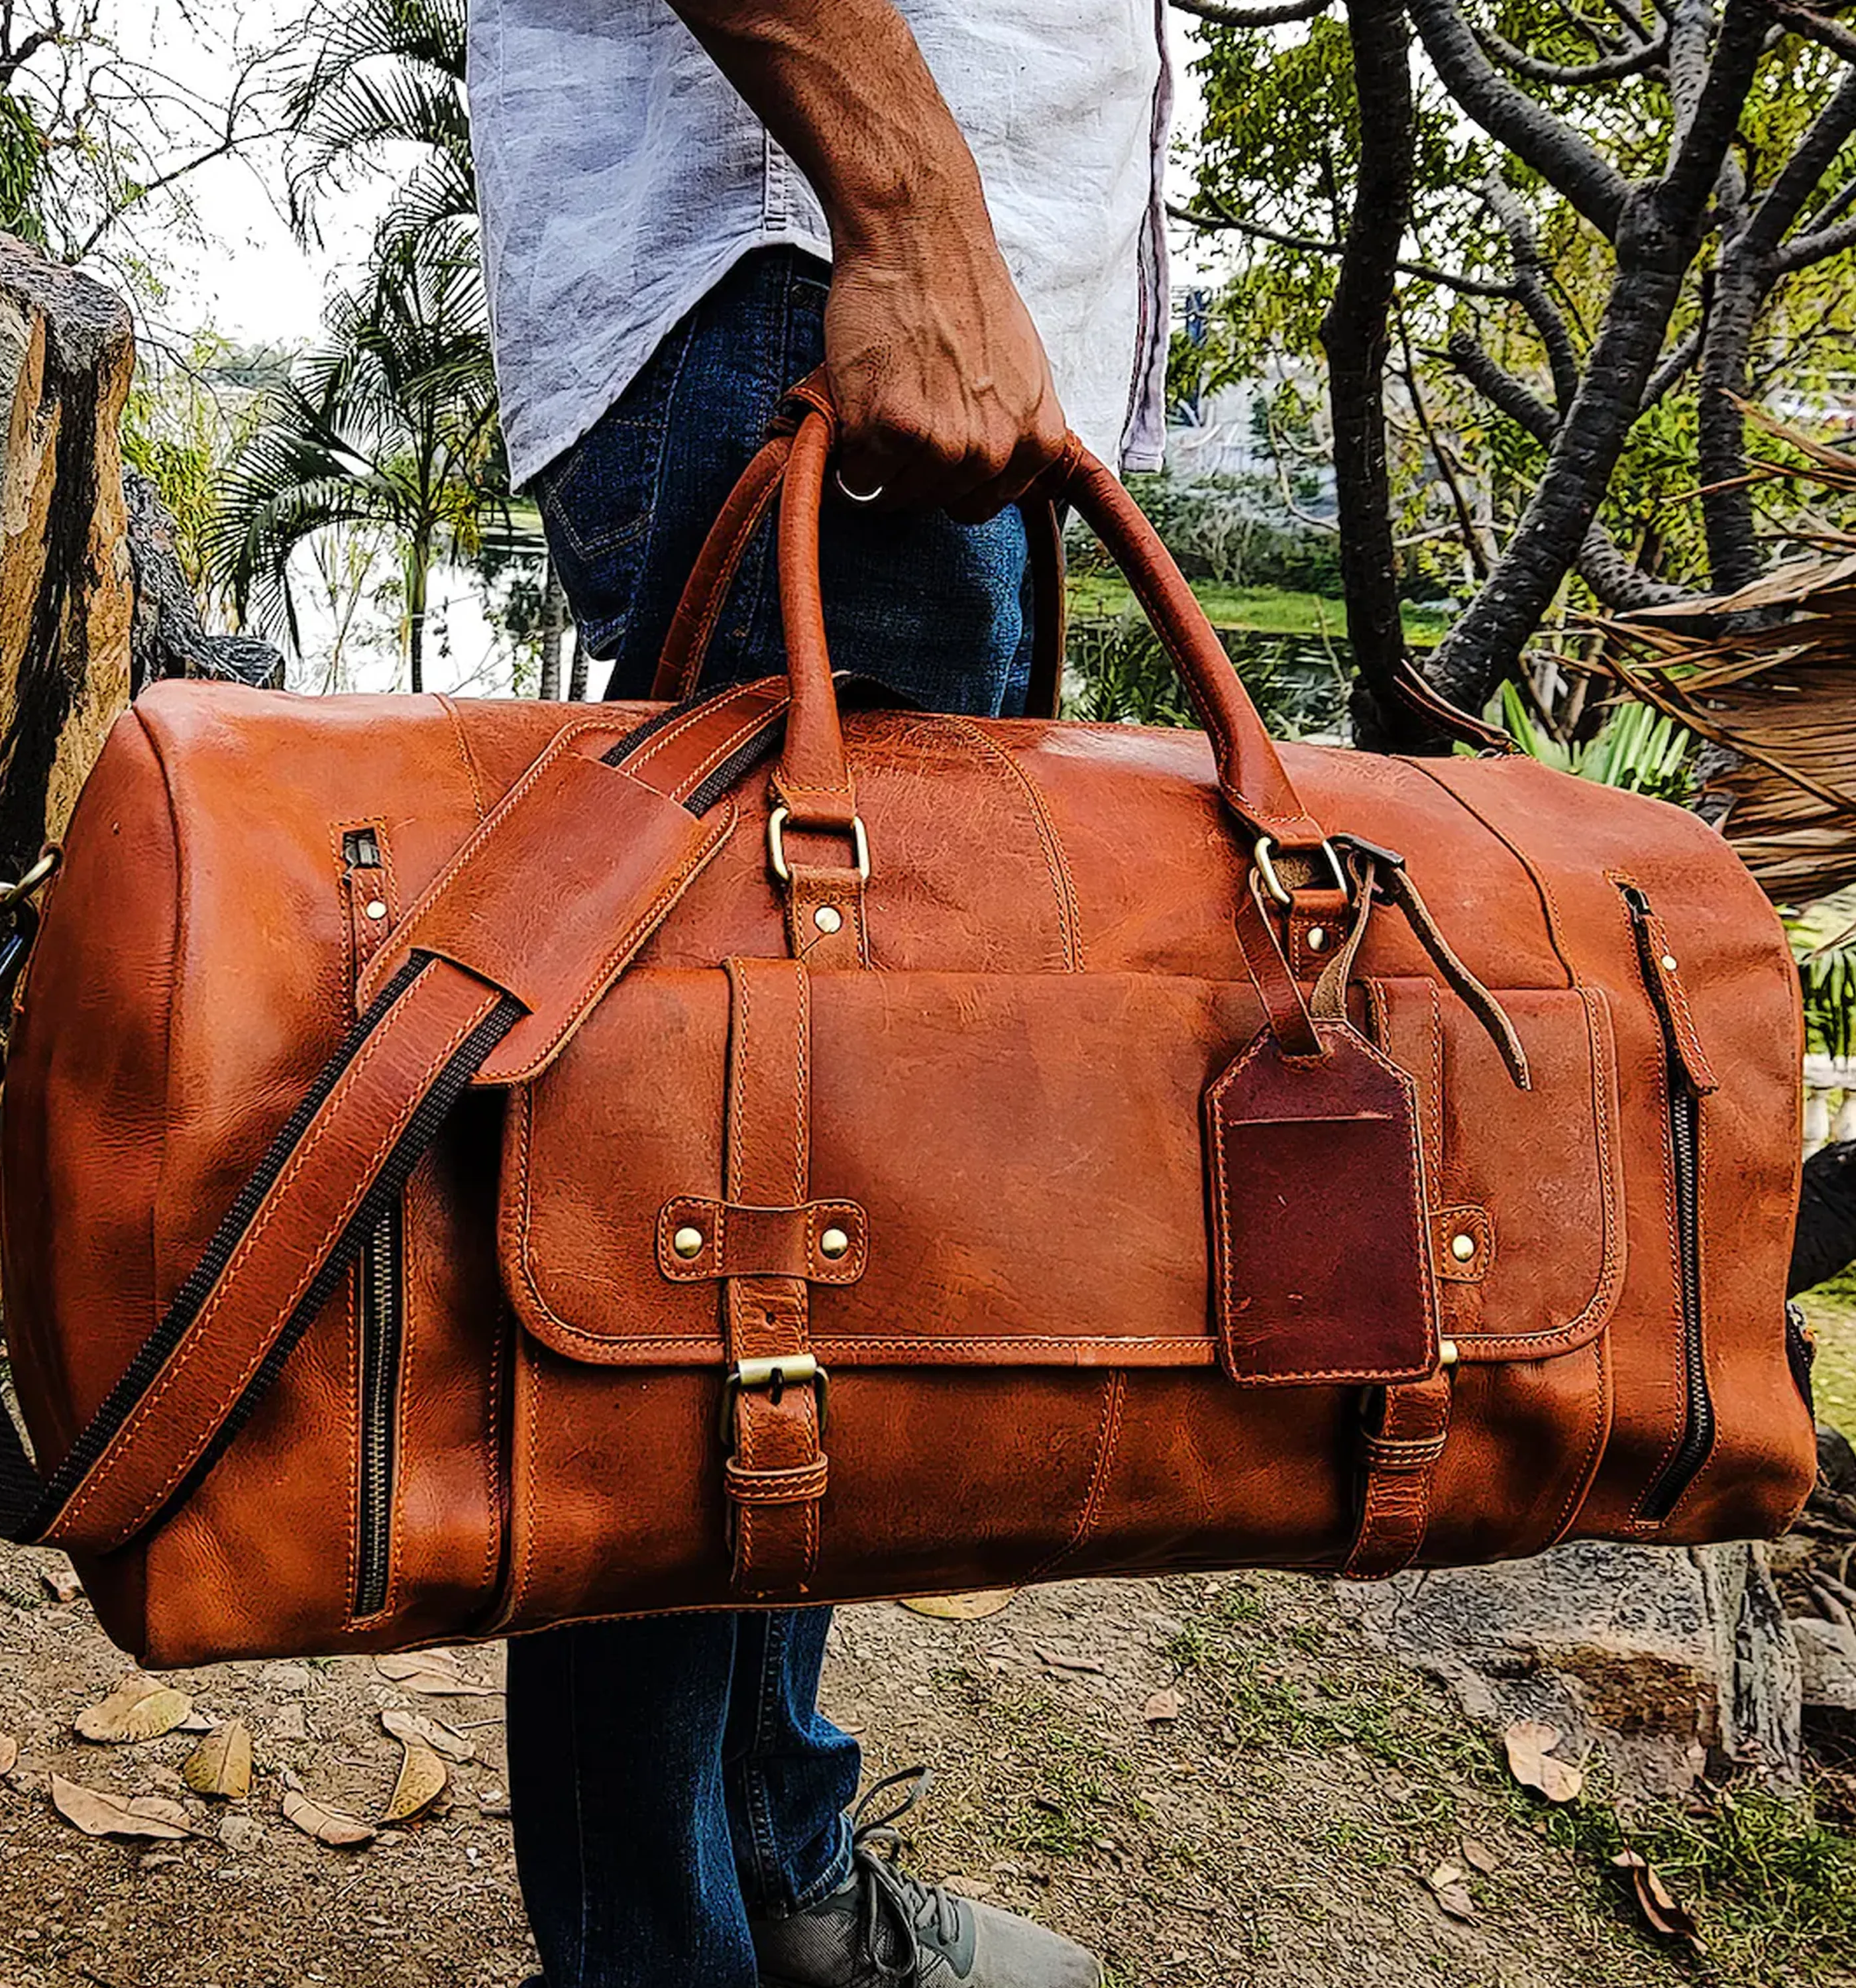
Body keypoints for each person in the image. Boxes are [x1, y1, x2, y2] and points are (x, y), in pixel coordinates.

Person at [468, 4, 1174, 1983]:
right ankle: (658, 1952)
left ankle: (773, 1874)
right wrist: (912, 205)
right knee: (698, 1230)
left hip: (882, 299)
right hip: (807, 277)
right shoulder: (872, 242)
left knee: (803, 1210)